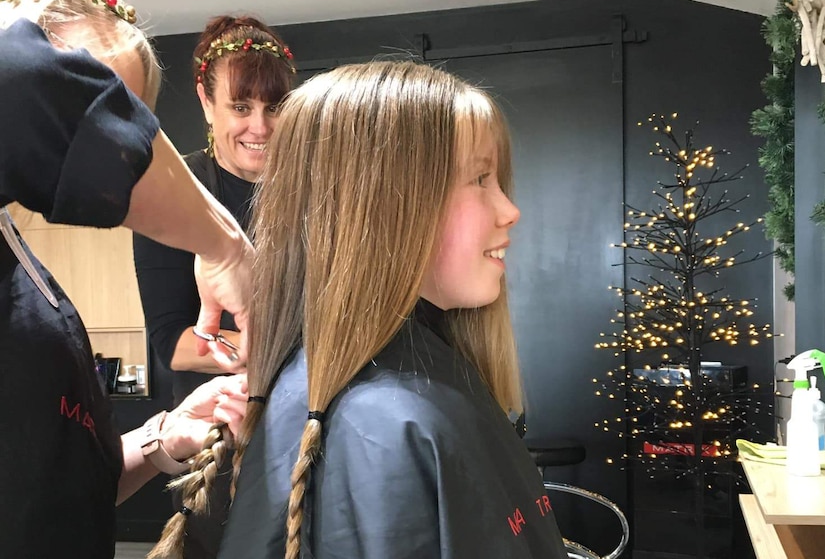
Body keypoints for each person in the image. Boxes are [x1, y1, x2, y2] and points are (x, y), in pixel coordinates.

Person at [152, 61, 568, 559]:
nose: (509, 210)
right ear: (382, 203)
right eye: (480, 178)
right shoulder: (380, 425)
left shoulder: (424, 383)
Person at [0, 0, 254, 558]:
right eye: (94, 106)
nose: (113, 148)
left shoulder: (22, 267)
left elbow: (60, 490)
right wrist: (227, 248)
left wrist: (161, 437)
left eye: (130, 120)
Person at [132, 14, 296, 558]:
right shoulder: (174, 194)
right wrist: (258, 348)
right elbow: (171, 343)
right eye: (241, 107)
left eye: (274, 108)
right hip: (218, 432)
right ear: (206, 101)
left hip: (306, 418)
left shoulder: (311, 190)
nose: (260, 127)